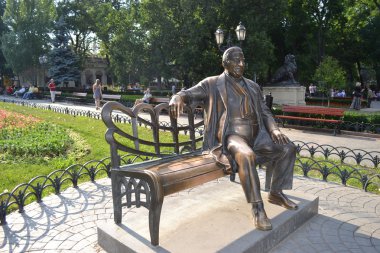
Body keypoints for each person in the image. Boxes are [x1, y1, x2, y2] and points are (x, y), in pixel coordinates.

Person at [169, 46, 297, 231]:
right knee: (246, 155)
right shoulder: (212, 83)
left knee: (287, 148)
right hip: (231, 136)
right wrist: (177, 97)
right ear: (225, 62)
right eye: (237, 60)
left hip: (258, 135)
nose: (241, 64)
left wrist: (275, 130)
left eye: (243, 60)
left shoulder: (253, 86)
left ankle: (276, 192)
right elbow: (188, 93)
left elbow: (265, 112)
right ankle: (257, 208)